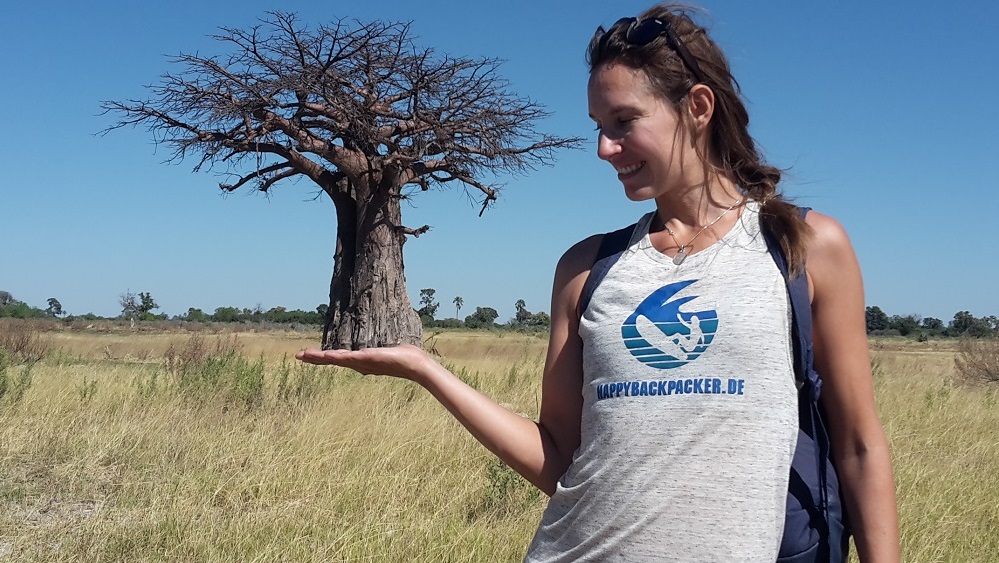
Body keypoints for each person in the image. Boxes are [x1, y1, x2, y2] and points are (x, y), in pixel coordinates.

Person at [297, 4, 900, 561]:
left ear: (697, 107)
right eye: (596, 124)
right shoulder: (586, 268)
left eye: (623, 121)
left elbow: (859, 447)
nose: (603, 147)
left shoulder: (802, 247)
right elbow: (558, 457)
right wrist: (425, 369)